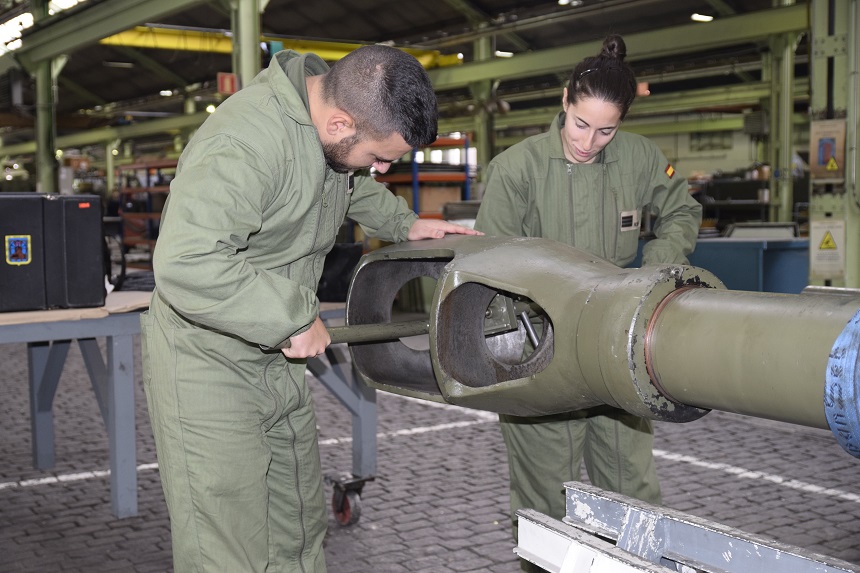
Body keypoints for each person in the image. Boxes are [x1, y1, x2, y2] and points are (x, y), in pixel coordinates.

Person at [140, 45, 480, 573]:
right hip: (209, 362)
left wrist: (402, 223)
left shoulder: (328, 122)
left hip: (278, 356)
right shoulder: (245, 142)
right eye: (379, 157)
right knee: (230, 548)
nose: (383, 169)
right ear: (341, 122)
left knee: (297, 525)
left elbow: (344, 183)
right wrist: (291, 316)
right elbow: (186, 261)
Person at [474, 34, 701, 571]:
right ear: (564, 102)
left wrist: (651, 272)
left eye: (606, 129)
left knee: (631, 491)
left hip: (614, 348)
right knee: (545, 505)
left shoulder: (641, 158)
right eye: (581, 124)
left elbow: (681, 210)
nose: (590, 141)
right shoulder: (517, 169)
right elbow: (491, 265)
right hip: (537, 351)